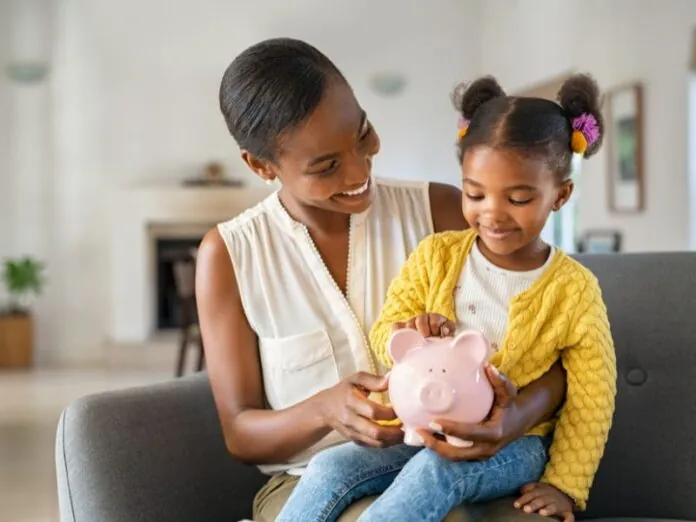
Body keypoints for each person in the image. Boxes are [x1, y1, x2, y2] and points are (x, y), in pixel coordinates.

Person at [196, 37, 567, 522]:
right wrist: (324, 410)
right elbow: (240, 433)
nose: (359, 169)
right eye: (327, 166)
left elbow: (559, 347)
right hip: (309, 484)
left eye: (363, 133)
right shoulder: (230, 255)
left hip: (454, 462)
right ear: (261, 165)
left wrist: (512, 419)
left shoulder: (442, 212)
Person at [273, 74, 618, 522]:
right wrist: (410, 331)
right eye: (475, 194)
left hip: (518, 443)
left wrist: (564, 487)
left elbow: (594, 398)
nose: (491, 213)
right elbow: (386, 332)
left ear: (560, 195)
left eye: (518, 198)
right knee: (331, 466)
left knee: (435, 473)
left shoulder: (574, 290)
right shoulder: (437, 255)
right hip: (421, 427)